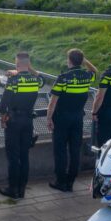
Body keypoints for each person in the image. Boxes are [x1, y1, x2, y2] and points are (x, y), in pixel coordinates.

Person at [46, 49, 97, 192]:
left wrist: (49, 118)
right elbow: (94, 70)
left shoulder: (63, 77)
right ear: (80, 61)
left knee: (60, 150)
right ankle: (70, 182)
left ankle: (60, 181)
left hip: (61, 119)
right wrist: (84, 60)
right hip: (77, 118)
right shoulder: (87, 76)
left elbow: (53, 101)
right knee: (75, 150)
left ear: (69, 60)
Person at [0, 52, 45, 199]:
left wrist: (2, 118)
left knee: (13, 157)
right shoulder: (36, 80)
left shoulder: (13, 80)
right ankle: (22, 189)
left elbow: (4, 103)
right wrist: (29, 68)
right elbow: (41, 78)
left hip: (14, 121)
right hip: (28, 121)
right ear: (28, 64)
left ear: (17, 64)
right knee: (24, 156)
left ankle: (12, 189)